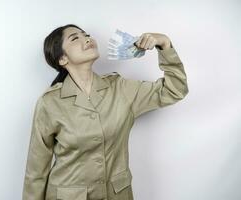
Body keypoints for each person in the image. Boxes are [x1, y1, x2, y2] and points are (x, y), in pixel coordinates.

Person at [22, 24, 189, 200]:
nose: (87, 38)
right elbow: (36, 171)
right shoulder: (50, 103)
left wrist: (164, 44)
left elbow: (174, 90)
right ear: (62, 59)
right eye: (75, 38)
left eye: (86, 35)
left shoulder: (120, 88)